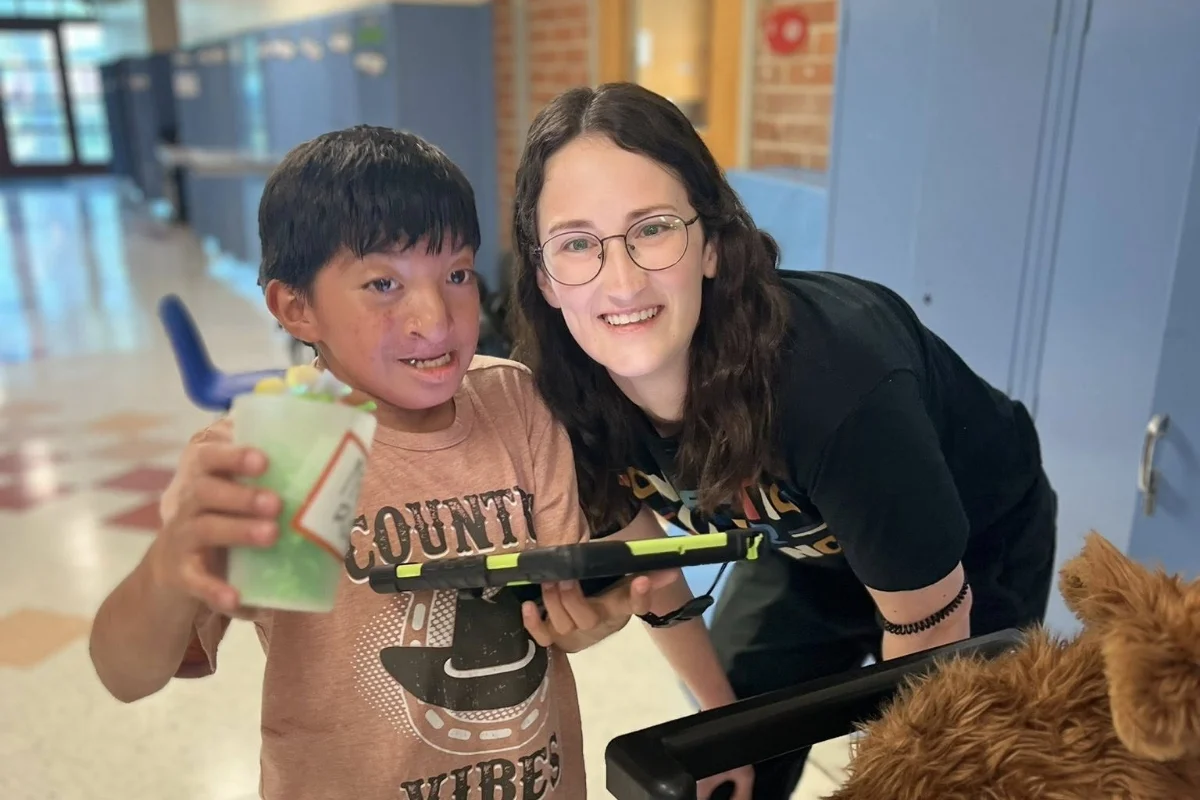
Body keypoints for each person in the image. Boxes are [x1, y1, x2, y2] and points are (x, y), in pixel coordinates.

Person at [87, 125, 700, 799]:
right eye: (383, 284)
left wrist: (595, 617)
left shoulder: (516, 404)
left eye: (457, 275)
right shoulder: (287, 448)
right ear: (296, 307)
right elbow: (130, 675)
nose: (434, 319)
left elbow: (560, 619)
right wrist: (166, 569)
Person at [509, 83, 1058, 799]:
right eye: (577, 243)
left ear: (710, 244)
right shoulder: (568, 404)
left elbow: (927, 634)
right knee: (725, 761)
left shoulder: (836, 385)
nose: (620, 281)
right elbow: (657, 574)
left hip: (970, 547)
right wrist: (720, 724)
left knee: (957, 767)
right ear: (546, 276)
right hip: (802, 547)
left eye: (652, 229)